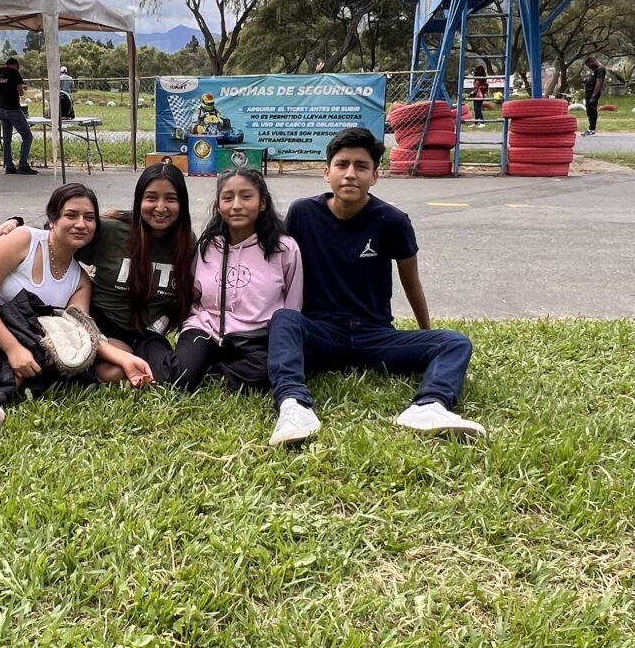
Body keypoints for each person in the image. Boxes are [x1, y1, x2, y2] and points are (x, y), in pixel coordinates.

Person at [268, 126, 483, 446]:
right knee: (284, 319)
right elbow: (279, 270)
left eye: (361, 166)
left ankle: (429, 406)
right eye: (342, 165)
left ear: (375, 176)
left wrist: (427, 335)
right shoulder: (302, 212)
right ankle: (294, 406)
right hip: (320, 333)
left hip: (375, 336)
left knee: (454, 343)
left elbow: (412, 281)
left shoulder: (392, 220)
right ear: (327, 173)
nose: (351, 174)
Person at [0, 182, 155, 426]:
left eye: (89, 218)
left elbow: (81, 333)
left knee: (32, 367)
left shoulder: (80, 281)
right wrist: (13, 349)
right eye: (71, 215)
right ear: (53, 219)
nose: (81, 224)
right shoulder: (24, 240)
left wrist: (124, 359)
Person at [0, 160, 196, 383]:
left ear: (182, 203)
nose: (161, 207)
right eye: (151, 197)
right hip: (104, 324)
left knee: (165, 375)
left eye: (171, 199)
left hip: (148, 333)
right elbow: (58, 236)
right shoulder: (112, 230)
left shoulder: (186, 243)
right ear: (139, 200)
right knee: (112, 372)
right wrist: (16, 223)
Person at [172, 166, 302, 393]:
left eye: (246, 196)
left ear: (262, 203)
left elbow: (292, 305)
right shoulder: (207, 246)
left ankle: (215, 373)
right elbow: (193, 295)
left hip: (256, 337)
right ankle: (196, 363)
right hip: (207, 330)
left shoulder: (284, 249)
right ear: (219, 206)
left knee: (267, 373)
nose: (237, 206)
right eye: (228, 198)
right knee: (180, 378)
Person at [0, 50, 35, 174]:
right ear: (15, 65)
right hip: (13, 108)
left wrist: (1, 91)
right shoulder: (14, 73)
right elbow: (20, 92)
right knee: (27, 136)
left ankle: (9, 165)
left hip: (1, 109)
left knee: (7, 138)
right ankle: (23, 164)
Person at [582, 55, 605, 137]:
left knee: (592, 111)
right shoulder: (595, 70)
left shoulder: (600, 69)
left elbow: (599, 82)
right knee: (588, 111)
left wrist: (594, 96)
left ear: (592, 61)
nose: (589, 67)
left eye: (589, 65)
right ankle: (590, 129)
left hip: (593, 93)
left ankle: (592, 129)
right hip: (589, 93)